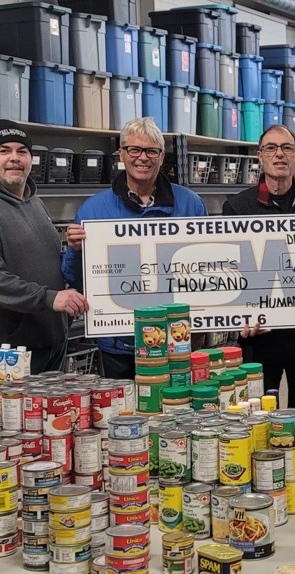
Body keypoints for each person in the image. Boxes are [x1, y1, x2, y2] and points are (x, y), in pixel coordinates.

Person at [0, 119, 87, 386]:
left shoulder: (33, 201)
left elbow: (44, 263)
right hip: (2, 349)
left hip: (49, 339)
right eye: (4, 150)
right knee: (10, 424)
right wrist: (49, 298)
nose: (14, 158)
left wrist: (73, 251)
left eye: (22, 151)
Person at [62, 117, 209, 379]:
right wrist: (74, 251)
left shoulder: (190, 204)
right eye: (135, 150)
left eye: (152, 150)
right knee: (124, 414)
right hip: (119, 343)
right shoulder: (93, 210)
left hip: (177, 340)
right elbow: (76, 279)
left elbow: (208, 269)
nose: (143, 157)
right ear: (122, 154)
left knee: (176, 410)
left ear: (162, 157)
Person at [222, 124, 295, 420]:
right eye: (271, 148)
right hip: (260, 334)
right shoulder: (238, 207)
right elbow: (231, 273)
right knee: (258, 414)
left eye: (287, 148)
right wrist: (238, 319)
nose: (279, 154)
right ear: (259, 156)